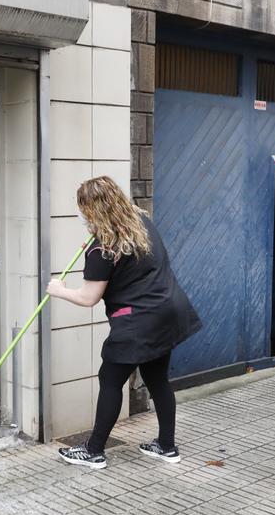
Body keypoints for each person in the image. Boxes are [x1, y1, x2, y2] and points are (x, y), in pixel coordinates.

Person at [46, 176, 201, 469]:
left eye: (83, 209)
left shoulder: (102, 248)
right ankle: (166, 446)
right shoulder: (141, 222)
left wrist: (59, 290)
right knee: (157, 380)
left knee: (110, 379)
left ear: (92, 211)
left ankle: (93, 451)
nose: (81, 215)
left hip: (138, 321)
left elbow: (89, 297)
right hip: (167, 311)